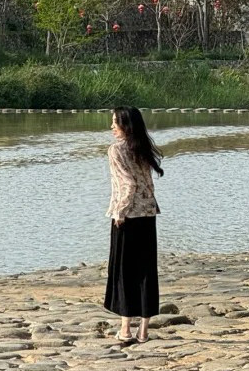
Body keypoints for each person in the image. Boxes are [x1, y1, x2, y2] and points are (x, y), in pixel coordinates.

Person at [104, 106, 163, 345]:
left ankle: (126, 329)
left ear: (125, 126)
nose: (111, 127)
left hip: (127, 217)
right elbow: (147, 182)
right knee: (146, 271)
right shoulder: (142, 147)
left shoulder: (116, 150)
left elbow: (127, 184)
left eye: (114, 123)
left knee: (124, 271)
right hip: (148, 215)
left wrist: (120, 211)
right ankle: (144, 331)